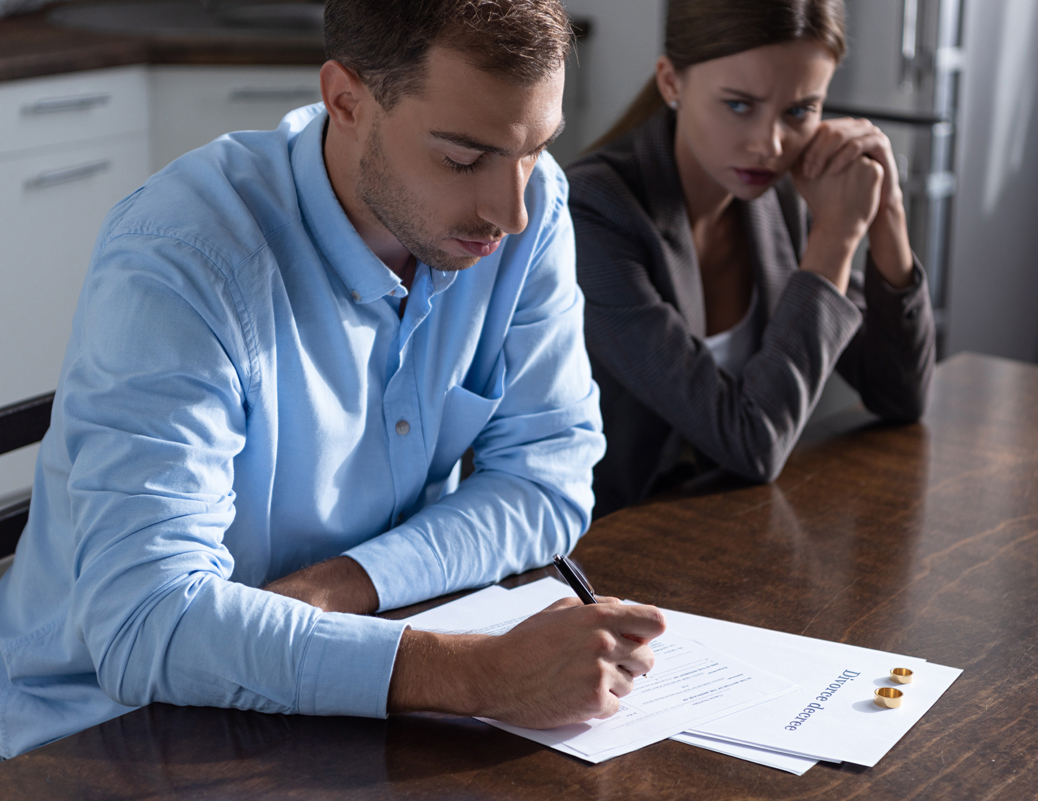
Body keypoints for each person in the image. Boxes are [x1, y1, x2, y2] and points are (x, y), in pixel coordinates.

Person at [0, 0, 666, 759]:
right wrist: (479, 674)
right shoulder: (181, 257)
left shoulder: (529, 205)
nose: (509, 210)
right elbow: (145, 623)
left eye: (535, 147)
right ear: (346, 100)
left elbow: (548, 482)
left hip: (340, 691)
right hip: (103, 732)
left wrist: (339, 588)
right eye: (461, 157)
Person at [566, 0, 937, 517]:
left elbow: (899, 395)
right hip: (602, 552)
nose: (770, 144)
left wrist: (888, 215)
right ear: (672, 82)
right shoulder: (595, 213)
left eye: (799, 110)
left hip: (728, 532)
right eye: (739, 105)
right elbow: (751, 443)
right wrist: (835, 238)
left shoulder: (777, 196)